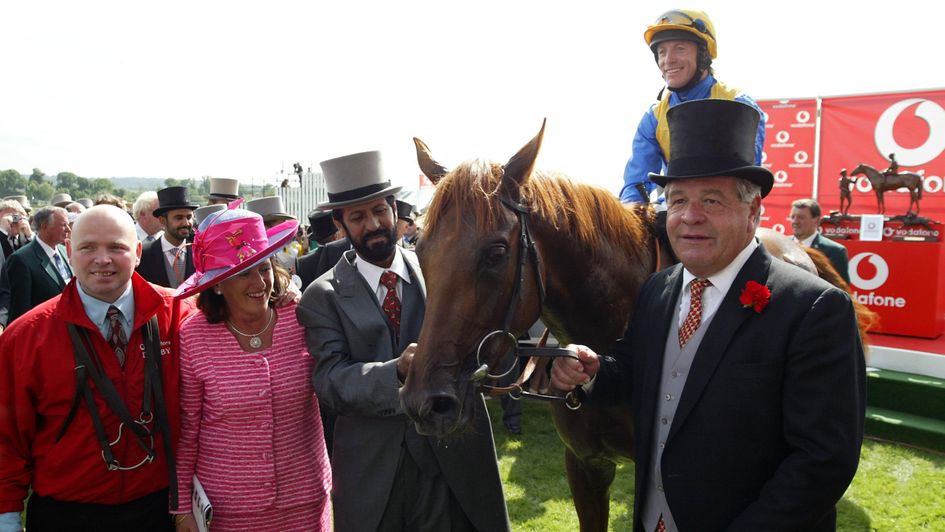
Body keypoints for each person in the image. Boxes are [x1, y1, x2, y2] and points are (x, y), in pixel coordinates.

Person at [552, 100, 865, 531]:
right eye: (677, 200)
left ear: (753, 212)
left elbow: (823, 461)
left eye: (712, 200)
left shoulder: (815, 309)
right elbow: (630, 370)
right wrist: (592, 371)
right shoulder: (658, 290)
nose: (690, 217)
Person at [297, 150, 509, 532]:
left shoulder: (440, 271)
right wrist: (397, 371)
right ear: (340, 223)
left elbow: (485, 334)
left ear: (395, 209)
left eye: (380, 210)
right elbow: (330, 383)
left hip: (452, 461)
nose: (374, 223)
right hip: (374, 475)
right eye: (358, 217)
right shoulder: (322, 295)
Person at [0, 205, 195, 532]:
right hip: (66, 514)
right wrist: (6, 517)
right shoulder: (26, 337)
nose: (102, 259)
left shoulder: (181, 317)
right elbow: (7, 438)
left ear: (136, 252)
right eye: (88, 247)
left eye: (116, 247)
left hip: (159, 509)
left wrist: (281, 296)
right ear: (69, 252)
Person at [171, 207, 331, 531]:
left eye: (263, 268)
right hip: (227, 511)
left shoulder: (302, 317)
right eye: (243, 273)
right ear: (216, 285)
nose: (259, 282)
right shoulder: (194, 335)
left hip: (305, 502)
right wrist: (181, 507)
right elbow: (187, 429)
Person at [619, 9, 765, 205]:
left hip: (726, 208)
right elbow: (636, 184)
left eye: (679, 48)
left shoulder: (739, 104)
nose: (668, 60)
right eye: (662, 52)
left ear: (704, 55)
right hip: (674, 206)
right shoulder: (653, 116)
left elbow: (744, 185)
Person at [3, 206, 72, 324]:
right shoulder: (21, 259)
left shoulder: (65, 251)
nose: (68, 230)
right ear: (45, 226)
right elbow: (20, 311)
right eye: (63, 225)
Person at [136, 186, 197, 289]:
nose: (186, 223)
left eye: (189, 217)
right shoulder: (143, 255)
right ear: (162, 221)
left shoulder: (200, 253)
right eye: (179, 218)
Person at [790, 198, 851, 283]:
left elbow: (842, 289)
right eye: (792, 217)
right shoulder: (779, 244)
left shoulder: (835, 251)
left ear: (817, 220)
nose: (795, 221)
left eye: (801, 217)